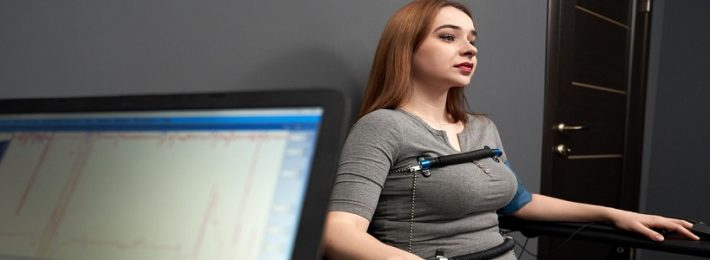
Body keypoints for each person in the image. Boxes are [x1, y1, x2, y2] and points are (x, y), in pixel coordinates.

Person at [322, 0, 699, 259]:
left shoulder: (481, 128)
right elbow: (338, 231)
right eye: (449, 37)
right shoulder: (382, 127)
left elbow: (521, 203)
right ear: (406, 48)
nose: (469, 49)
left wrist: (611, 213)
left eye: (473, 39)